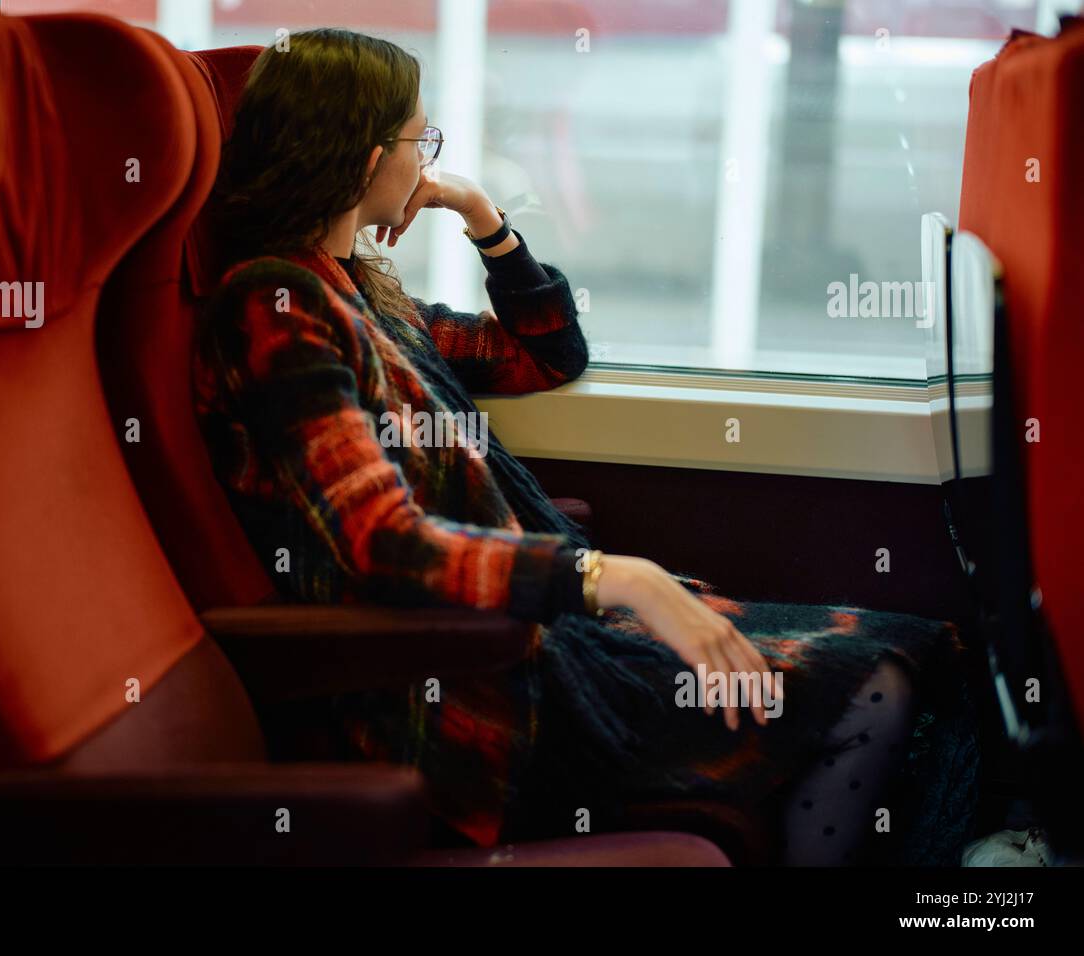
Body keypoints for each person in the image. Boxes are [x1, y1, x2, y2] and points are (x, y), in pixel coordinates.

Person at [193, 27, 980, 865]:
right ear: (361, 158)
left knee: (912, 646)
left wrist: (482, 218)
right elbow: (381, 545)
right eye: (419, 140)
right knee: (877, 682)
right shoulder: (274, 307)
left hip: (532, 649)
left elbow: (546, 354)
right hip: (455, 694)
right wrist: (610, 578)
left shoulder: (362, 294)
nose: (426, 161)